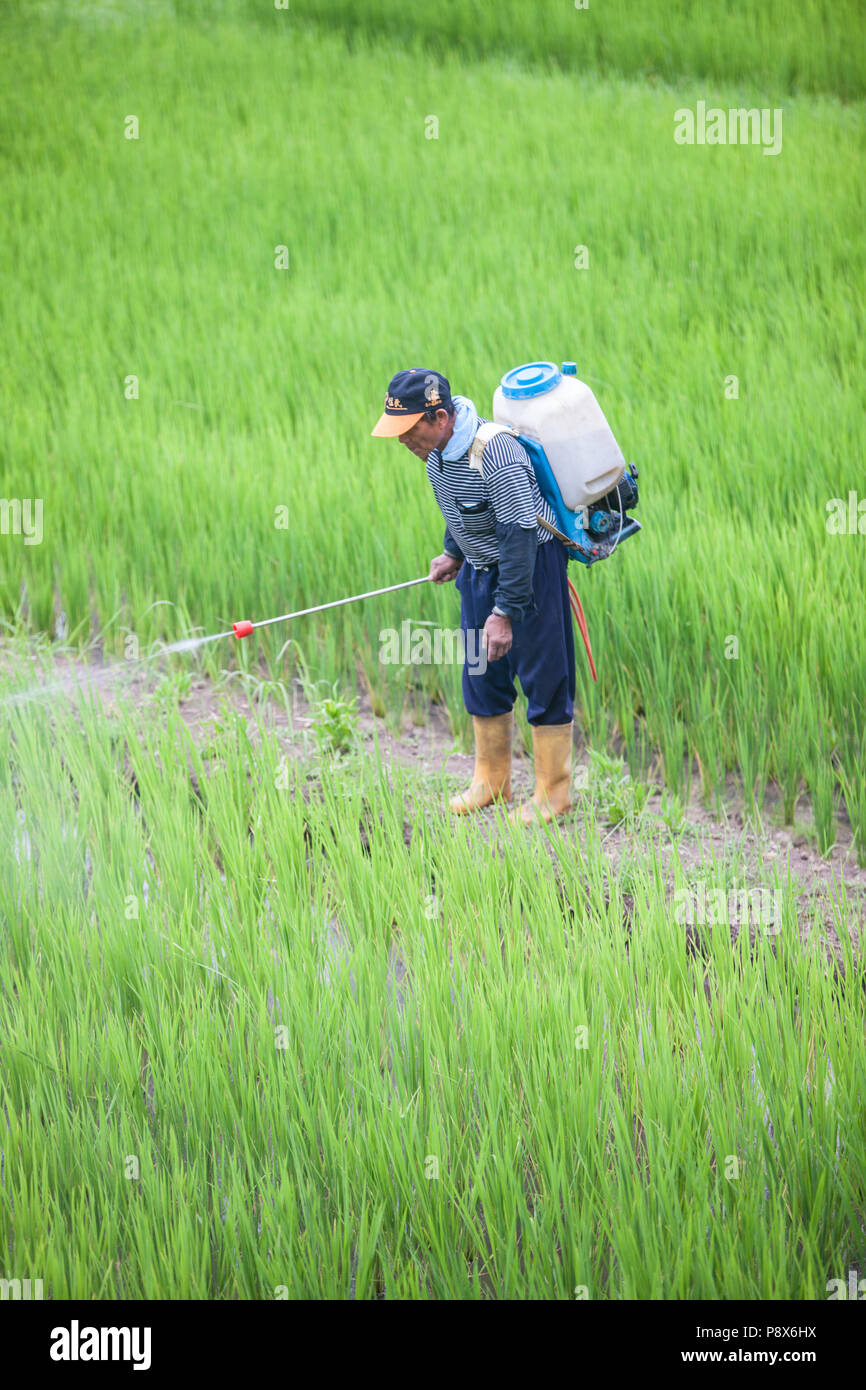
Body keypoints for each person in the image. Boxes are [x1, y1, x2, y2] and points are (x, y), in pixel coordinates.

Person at [371, 367, 576, 822]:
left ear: (439, 416)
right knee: (480, 672)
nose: (404, 441)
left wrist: (505, 610)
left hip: (529, 567)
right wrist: (453, 553)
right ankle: (492, 782)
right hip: (481, 569)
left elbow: (520, 530)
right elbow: (464, 511)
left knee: (544, 675)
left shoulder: (494, 451)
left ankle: (554, 793)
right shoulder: (438, 454)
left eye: (409, 431)